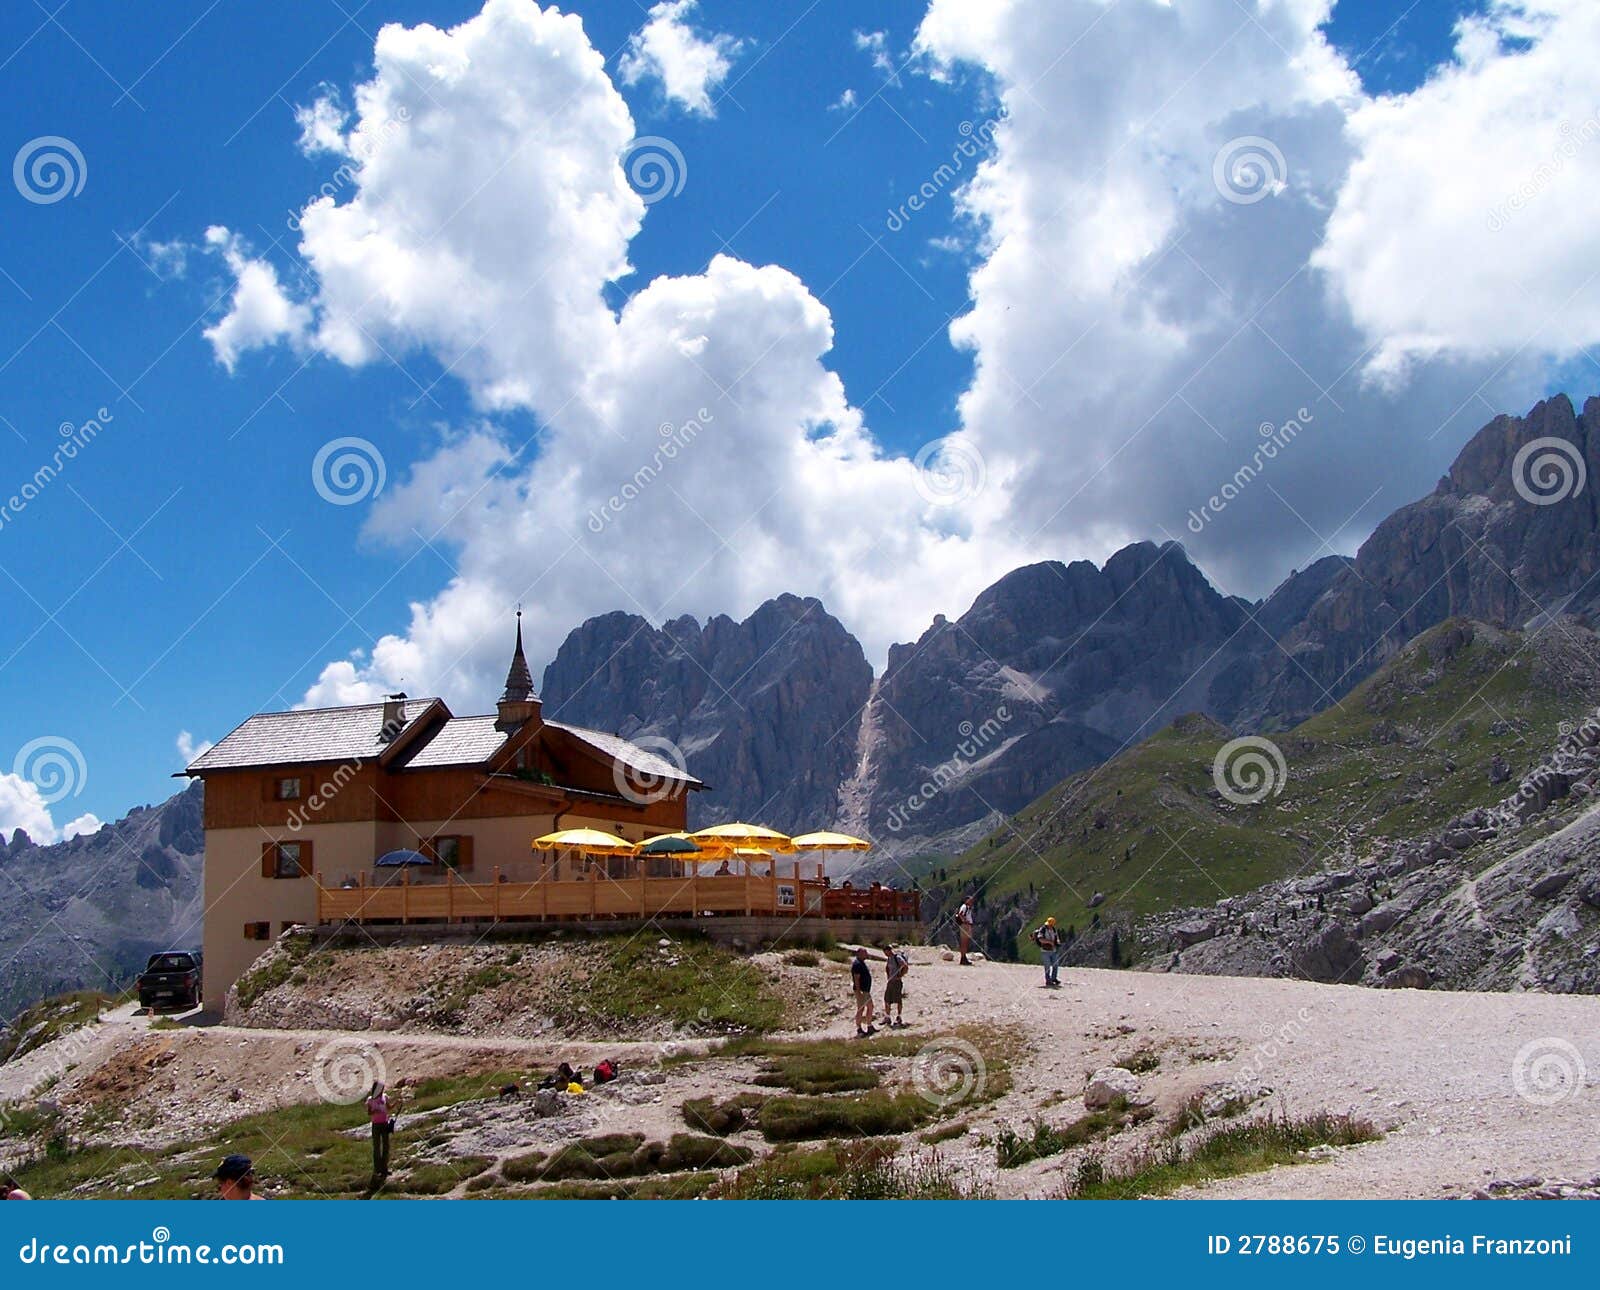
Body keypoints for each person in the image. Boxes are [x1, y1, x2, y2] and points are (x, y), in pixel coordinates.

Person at [366, 1080, 394, 1178]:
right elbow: (369, 1113)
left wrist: (396, 1104)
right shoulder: (370, 1099)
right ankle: (377, 1169)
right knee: (377, 1147)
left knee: (386, 1146)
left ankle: (384, 1168)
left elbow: (389, 1107)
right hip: (376, 1124)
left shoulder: (385, 1097)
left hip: (384, 1123)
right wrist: (374, 1110)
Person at [850, 946, 876, 1037]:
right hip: (861, 990)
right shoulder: (857, 964)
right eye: (865, 953)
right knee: (861, 1009)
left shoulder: (861, 963)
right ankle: (859, 1028)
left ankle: (869, 1026)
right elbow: (856, 979)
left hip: (865, 990)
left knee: (870, 1007)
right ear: (859, 954)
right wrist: (859, 991)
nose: (866, 955)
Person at [1031, 916, 1063, 988]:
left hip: (1053, 950)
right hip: (1045, 951)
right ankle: (1048, 980)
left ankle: (1054, 978)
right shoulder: (1043, 929)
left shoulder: (1054, 930)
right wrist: (1049, 942)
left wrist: (1057, 942)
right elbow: (1040, 939)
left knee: (1055, 965)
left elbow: (1056, 938)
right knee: (1047, 966)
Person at [882, 943, 908, 1028]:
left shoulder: (897, 958)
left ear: (888, 951)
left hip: (897, 982)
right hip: (890, 982)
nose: (885, 954)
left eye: (886, 952)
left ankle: (899, 1016)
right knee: (887, 999)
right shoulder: (889, 959)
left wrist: (900, 976)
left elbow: (905, 966)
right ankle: (887, 1017)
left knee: (898, 999)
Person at [956, 895, 975, 965]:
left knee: (966, 942)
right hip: (965, 926)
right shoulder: (964, 907)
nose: (971, 901)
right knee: (964, 942)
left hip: (967, 925)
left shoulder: (968, 908)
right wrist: (965, 921)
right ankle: (963, 958)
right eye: (970, 900)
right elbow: (960, 914)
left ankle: (964, 958)